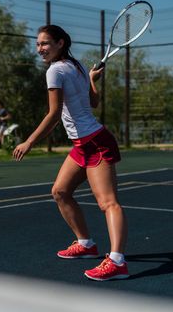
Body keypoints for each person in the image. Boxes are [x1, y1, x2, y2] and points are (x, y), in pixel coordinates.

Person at [12, 25, 129, 281]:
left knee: (107, 202)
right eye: (38, 44)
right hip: (82, 144)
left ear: (60, 43)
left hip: (96, 142)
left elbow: (53, 115)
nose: (40, 49)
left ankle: (118, 261)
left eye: (45, 43)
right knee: (60, 192)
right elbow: (94, 103)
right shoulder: (76, 67)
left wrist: (29, 142)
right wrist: (91, 80)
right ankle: (86, 244)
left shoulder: (55, 71)